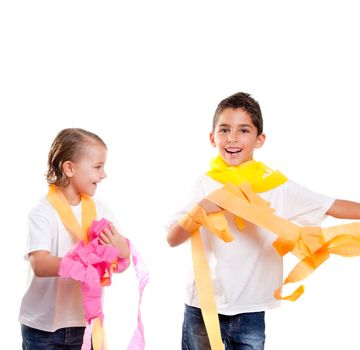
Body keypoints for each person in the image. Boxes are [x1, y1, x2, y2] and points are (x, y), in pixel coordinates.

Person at [166, 92, 360, 350]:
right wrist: (200, 210)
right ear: (213, 138)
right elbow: (172, 239)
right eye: (224, 130)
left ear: (260, 140)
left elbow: (332, 205)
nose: (232, 137)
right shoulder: (203, 184)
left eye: (243, 130)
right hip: (202, 306)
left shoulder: (277, 187)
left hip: (251, 309)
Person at [19, 128, 130, 349]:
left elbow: (123, 257)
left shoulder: (102, 211)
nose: (104, 174)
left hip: (84, 324)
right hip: (42, 326)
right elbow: (40, 263)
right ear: (69, 168)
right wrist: (80, 265)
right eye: (98, 167)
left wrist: (120, 248)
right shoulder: (43, 211)